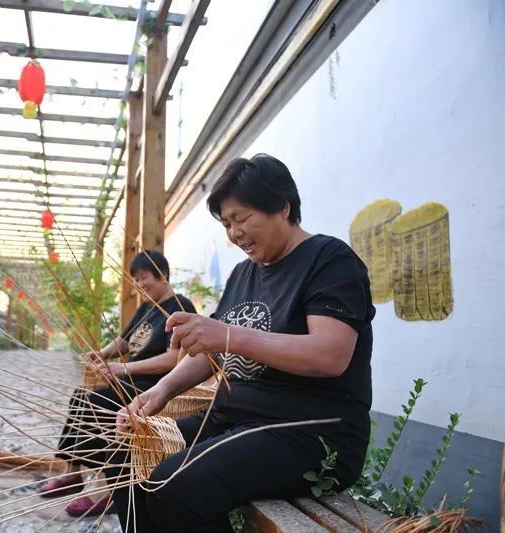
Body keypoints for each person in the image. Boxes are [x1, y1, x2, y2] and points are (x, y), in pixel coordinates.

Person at [107, 154, 376, 532]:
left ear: (283, 206)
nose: (235, 234)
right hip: (234, 421)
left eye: (242, 217)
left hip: (309, 432)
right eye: (227, 223)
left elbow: (330, 355)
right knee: (131, 458)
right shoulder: (244, 273)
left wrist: (229, 335)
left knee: (174, 485)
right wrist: (163, 390)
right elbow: (213, 348)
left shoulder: (329, 261)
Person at [37, 251, 197, 517]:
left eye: (144, 277)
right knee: (81, 396)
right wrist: (100, 354)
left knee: (99, 403)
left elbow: (174, 358)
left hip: (156, 387)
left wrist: (123, 367)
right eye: (135, 280)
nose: (139, 285)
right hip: (130, 380)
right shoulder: (147, 308)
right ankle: (72, 471)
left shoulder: (180, 306)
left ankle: (107, 489)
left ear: (163, 275)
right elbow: (123, 341)